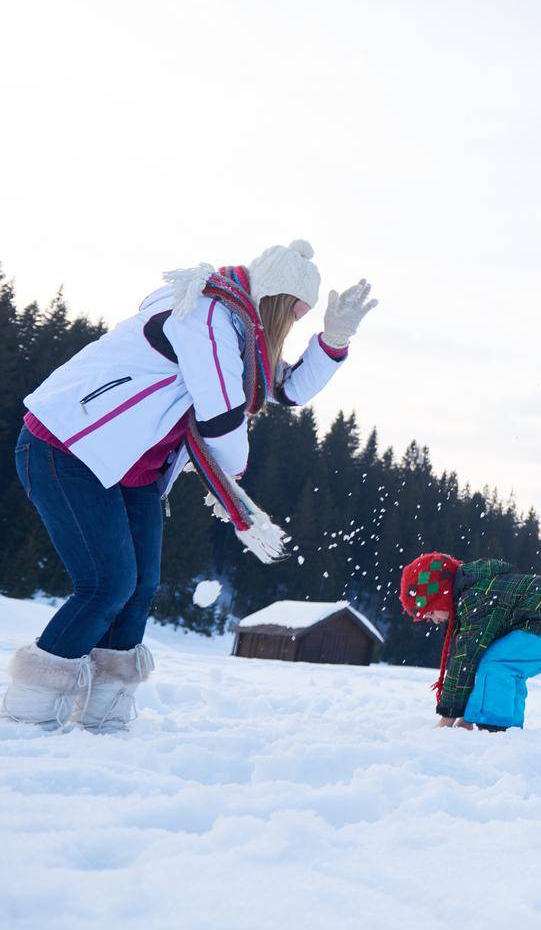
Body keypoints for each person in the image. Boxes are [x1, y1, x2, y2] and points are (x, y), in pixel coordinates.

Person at [4, 240, 378, 730]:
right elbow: (222, 415)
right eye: (295, 314)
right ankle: (30, 712)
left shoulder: (238, 330)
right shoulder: (203, 315)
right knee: (106, 584)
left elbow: (284, 389)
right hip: (66, 446)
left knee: (139, 589)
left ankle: (104, 715)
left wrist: (334, 340)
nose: (293, 326)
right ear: (275, 300)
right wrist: (234, 490)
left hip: (132, 471)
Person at [400, 552, 541, 730]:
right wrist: (467, 717)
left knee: (497, 662)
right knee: (509, 667)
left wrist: (447, 718)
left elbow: (465, 659)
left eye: (431, 612)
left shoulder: (475, 598)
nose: (434, 620)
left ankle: (495, 729)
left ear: (441, 596)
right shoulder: (477, 590)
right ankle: (509, 730)